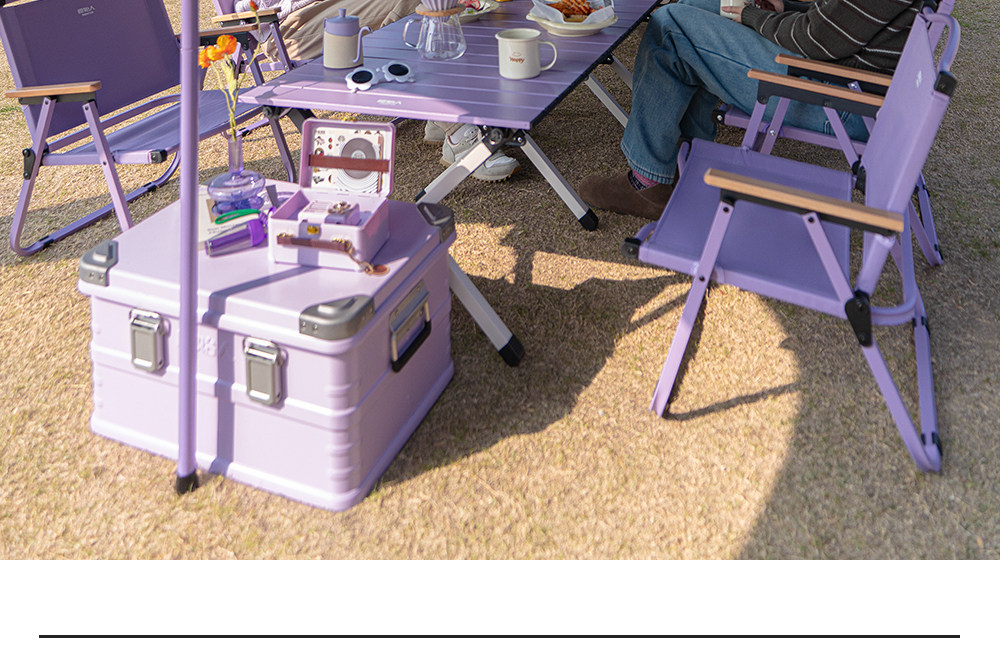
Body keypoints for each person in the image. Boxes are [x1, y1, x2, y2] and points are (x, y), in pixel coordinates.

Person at [578, 0, 928, 221]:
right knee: (699, 5)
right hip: (847, 79)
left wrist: (753, 15)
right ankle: (690, 162)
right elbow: (839, 21)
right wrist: (784, 7)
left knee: (669, 26)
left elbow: (816, 39)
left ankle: (647, 183)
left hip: (838, 99)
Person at [232, 0, 520, 182]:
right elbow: (248, 7)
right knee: (414, 2)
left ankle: (444, 109)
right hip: (295, 23)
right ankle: (457, 132)